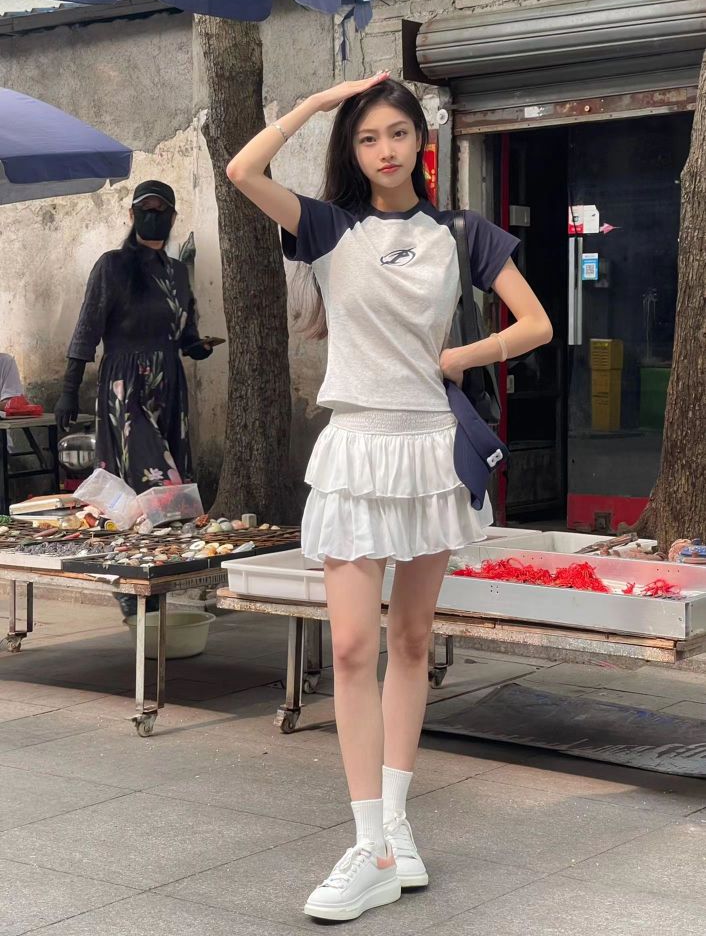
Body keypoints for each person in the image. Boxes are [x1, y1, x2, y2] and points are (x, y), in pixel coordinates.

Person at [227, 75, 553, 922]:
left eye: (397, 134)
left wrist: (460, 358)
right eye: (368, 137)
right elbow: (242, 171)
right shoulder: (328, 228)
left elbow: (537, 324)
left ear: (421, 143)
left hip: (429, 450)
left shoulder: (462, 232)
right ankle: (369, 844)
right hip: (355, 448)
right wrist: (315, 105)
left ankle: (397, 830)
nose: (384, 150)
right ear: (353, 148)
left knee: (410, 641)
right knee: (348, 648)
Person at [55, 180, 213, 616]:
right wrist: (69, 389)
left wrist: (196, 346)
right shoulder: (112, 266)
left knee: (171, 486)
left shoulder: (177, 272)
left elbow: (185, 332)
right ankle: (128, 581)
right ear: (132, 214)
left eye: (162, 210)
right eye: (146, 208)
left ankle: (148, 580)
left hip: (169, 385)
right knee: (156, 481)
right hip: (125, 385)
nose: (153, 216)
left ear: (173, 217)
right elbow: (87, 329)